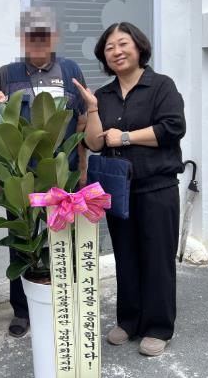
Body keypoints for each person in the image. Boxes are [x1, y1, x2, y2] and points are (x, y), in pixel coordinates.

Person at [74, 21, 186, 357]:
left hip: (157, 187)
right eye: (109, 48)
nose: (117, 52)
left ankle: (158, 326)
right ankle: (130, 320)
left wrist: (124, 137)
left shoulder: (161, 85)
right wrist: (92, 108)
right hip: (118, 190)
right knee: (126, 256)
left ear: (139, 47)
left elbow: (172, 128)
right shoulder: (104, 95)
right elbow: (95, 143)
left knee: (157, 258)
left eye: (123, 44)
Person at [0, 6, 88, 338]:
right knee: (23, 240)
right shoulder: (7, 74)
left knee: (63, 240)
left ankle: (63, 302)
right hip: (22, 177)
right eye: (31, 34)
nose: (38, 40)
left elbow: (82, 122)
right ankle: (22, 310)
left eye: (44, 33)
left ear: (54, 37)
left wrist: (82, 170)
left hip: (61, 174)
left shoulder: (71, 70)